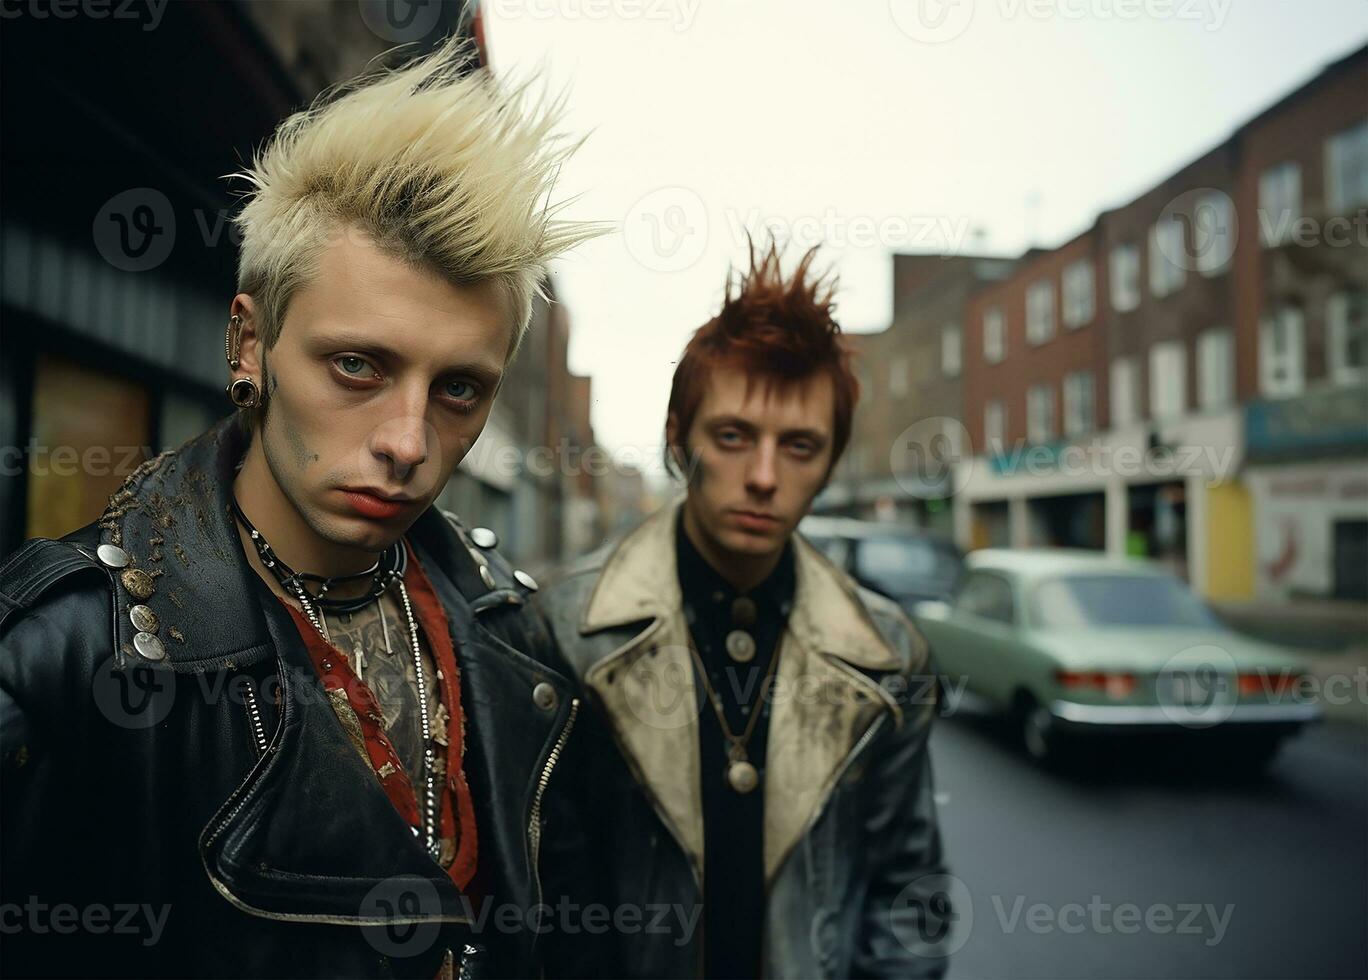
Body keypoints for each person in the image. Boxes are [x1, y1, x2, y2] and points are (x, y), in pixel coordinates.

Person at [0, 38, 599, 978]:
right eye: (357, 365)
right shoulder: (70, 656)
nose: (406, 440)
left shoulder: (515, 640)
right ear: (250, 346)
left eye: (458, 390)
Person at [535, 242, 953, 979]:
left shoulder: (886, 654)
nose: (764, 477)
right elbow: (541, 895)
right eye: (733, 437)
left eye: (799, 446)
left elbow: (906, 894)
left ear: (830, 463)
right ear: (678, 440)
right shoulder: (565, 632)